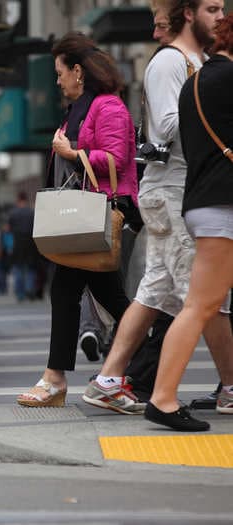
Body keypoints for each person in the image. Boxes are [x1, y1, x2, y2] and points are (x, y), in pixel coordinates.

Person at [82, 0, 228, 416]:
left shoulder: (196, 60)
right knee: (206, 297)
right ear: (189, 14)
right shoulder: (171, 62)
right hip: (175, 189)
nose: (221, 16)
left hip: (180, 188)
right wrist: (212, 113)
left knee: (155, 293)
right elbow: (165, 126)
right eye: (213, 8)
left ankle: (109, 379)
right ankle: (231, 386)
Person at [17, 32, 139, 407]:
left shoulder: (109, 107)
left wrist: (73, 152)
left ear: (78, 71)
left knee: (65, 289)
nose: (57, 81)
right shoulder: (82, 109)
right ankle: (147, 358)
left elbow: (116, 160)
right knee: (113, 298)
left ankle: (55, 380)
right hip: (85, 214)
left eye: (60, 72)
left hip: (99, 212)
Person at [145, 13, 233, 431]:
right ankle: (162, 398)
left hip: (201, 201)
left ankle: (164, 397)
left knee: (203, 304)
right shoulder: (227, 80)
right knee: (200, 305)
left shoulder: (197, 81)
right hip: (222, 205)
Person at [6, 192, 39, 302]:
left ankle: (20, 293)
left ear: (18, 200)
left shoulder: (13, 213)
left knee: (18, 268)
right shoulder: (32, 213)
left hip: (17, 243)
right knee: (30, 268)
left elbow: (8, 230)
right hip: (30, 243)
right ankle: (29, 288)